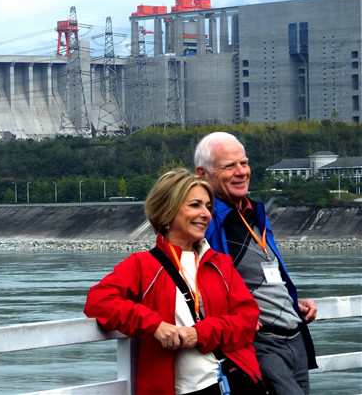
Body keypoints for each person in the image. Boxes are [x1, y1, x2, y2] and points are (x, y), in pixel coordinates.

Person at [84, 169, 266, 395]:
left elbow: (247, 319)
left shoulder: (221, 264)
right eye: (195, 205)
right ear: (167, 211)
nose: (206, 214)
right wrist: (155, 325)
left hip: (235, 380)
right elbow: (98, 302)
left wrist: (199, 334)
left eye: (208, 207)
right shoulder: (142, 265)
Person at [194, 132, 317, 395]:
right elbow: (193, 281)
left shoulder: (255, 213)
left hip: (295, 336)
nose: (241, 172)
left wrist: (294, 302)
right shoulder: (204, 221)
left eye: (244, 163)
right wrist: (232, 317)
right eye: (229, 166)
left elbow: (262, 274)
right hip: (259, 342)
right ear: (203, 174)